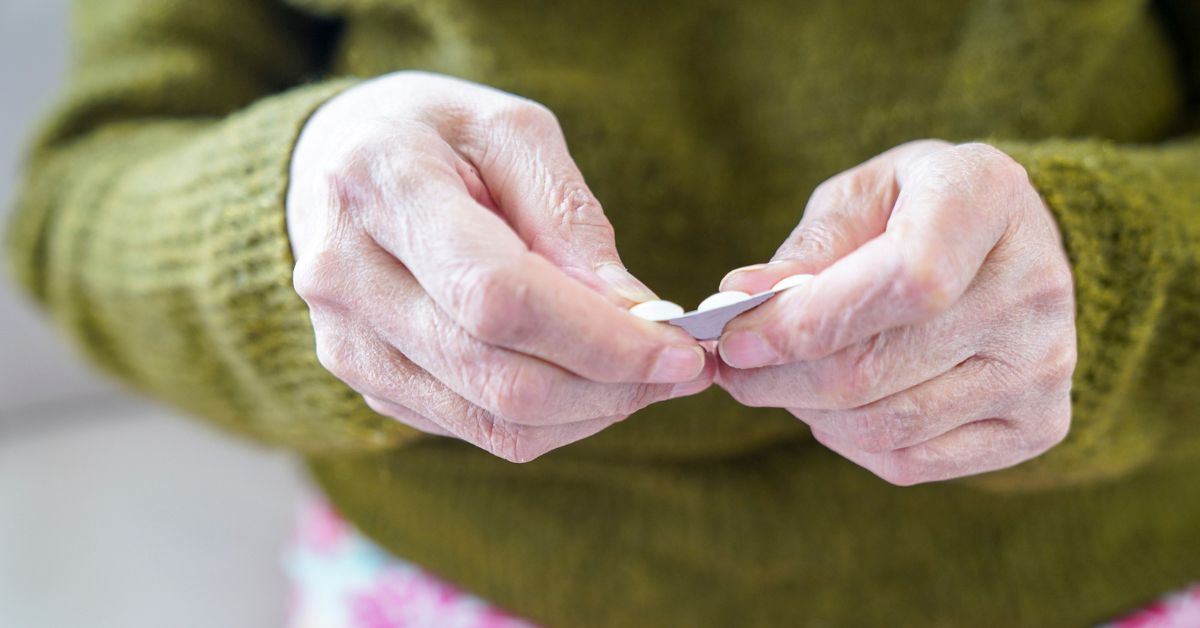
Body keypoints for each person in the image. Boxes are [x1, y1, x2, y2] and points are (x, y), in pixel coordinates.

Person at [6, 0, 1199, 625]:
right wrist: (298, 222)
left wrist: (1113, 278)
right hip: (459, 576)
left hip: (1095, 577)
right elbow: (82, 201)